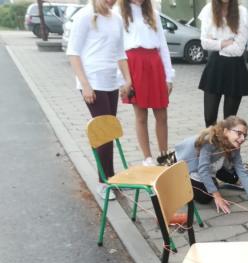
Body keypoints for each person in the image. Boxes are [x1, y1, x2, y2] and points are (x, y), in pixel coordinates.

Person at [67, 0, 132, 200]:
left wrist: (127, 80)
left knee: (108, 132)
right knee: (102, 133)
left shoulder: (116, 18)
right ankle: (103, 182)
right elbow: (73, 53)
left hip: (111, 81)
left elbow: (120, 53)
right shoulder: (85, 15)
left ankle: (110, 177)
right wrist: (85, 85)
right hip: (93, 82)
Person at [175, 116, 248, 214]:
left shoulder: (235, 144)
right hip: (187, 165)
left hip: (213, 163)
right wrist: (217, 196)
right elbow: (203, 170)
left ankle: (218, 176)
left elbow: (241, 172)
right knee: (205, 197)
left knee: (233, 177)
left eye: (245, 135)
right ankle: (178, 182)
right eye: (239, 133)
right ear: (226, 131)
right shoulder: (209, 141)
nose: (242, 138)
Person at [116, 0, 175, 167]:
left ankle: (164, 155)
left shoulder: (153, 14)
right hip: (133, 65)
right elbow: (117, 49)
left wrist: (169, 77)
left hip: (154, 65)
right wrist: (122, 79)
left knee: (162, 114)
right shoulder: (119, 15)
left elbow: (163, 46)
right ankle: (147, 157)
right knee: (141, 116)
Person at [198, 0, 248, 127]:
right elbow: (204, 43)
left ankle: (226, 140)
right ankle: (212, 140)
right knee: (209, 117)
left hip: (235, 69)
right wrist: (226, 42)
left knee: (229, 120)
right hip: (215, 67)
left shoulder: (242, 12)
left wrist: (216, 43)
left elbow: (239, 49)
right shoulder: (208, 10)